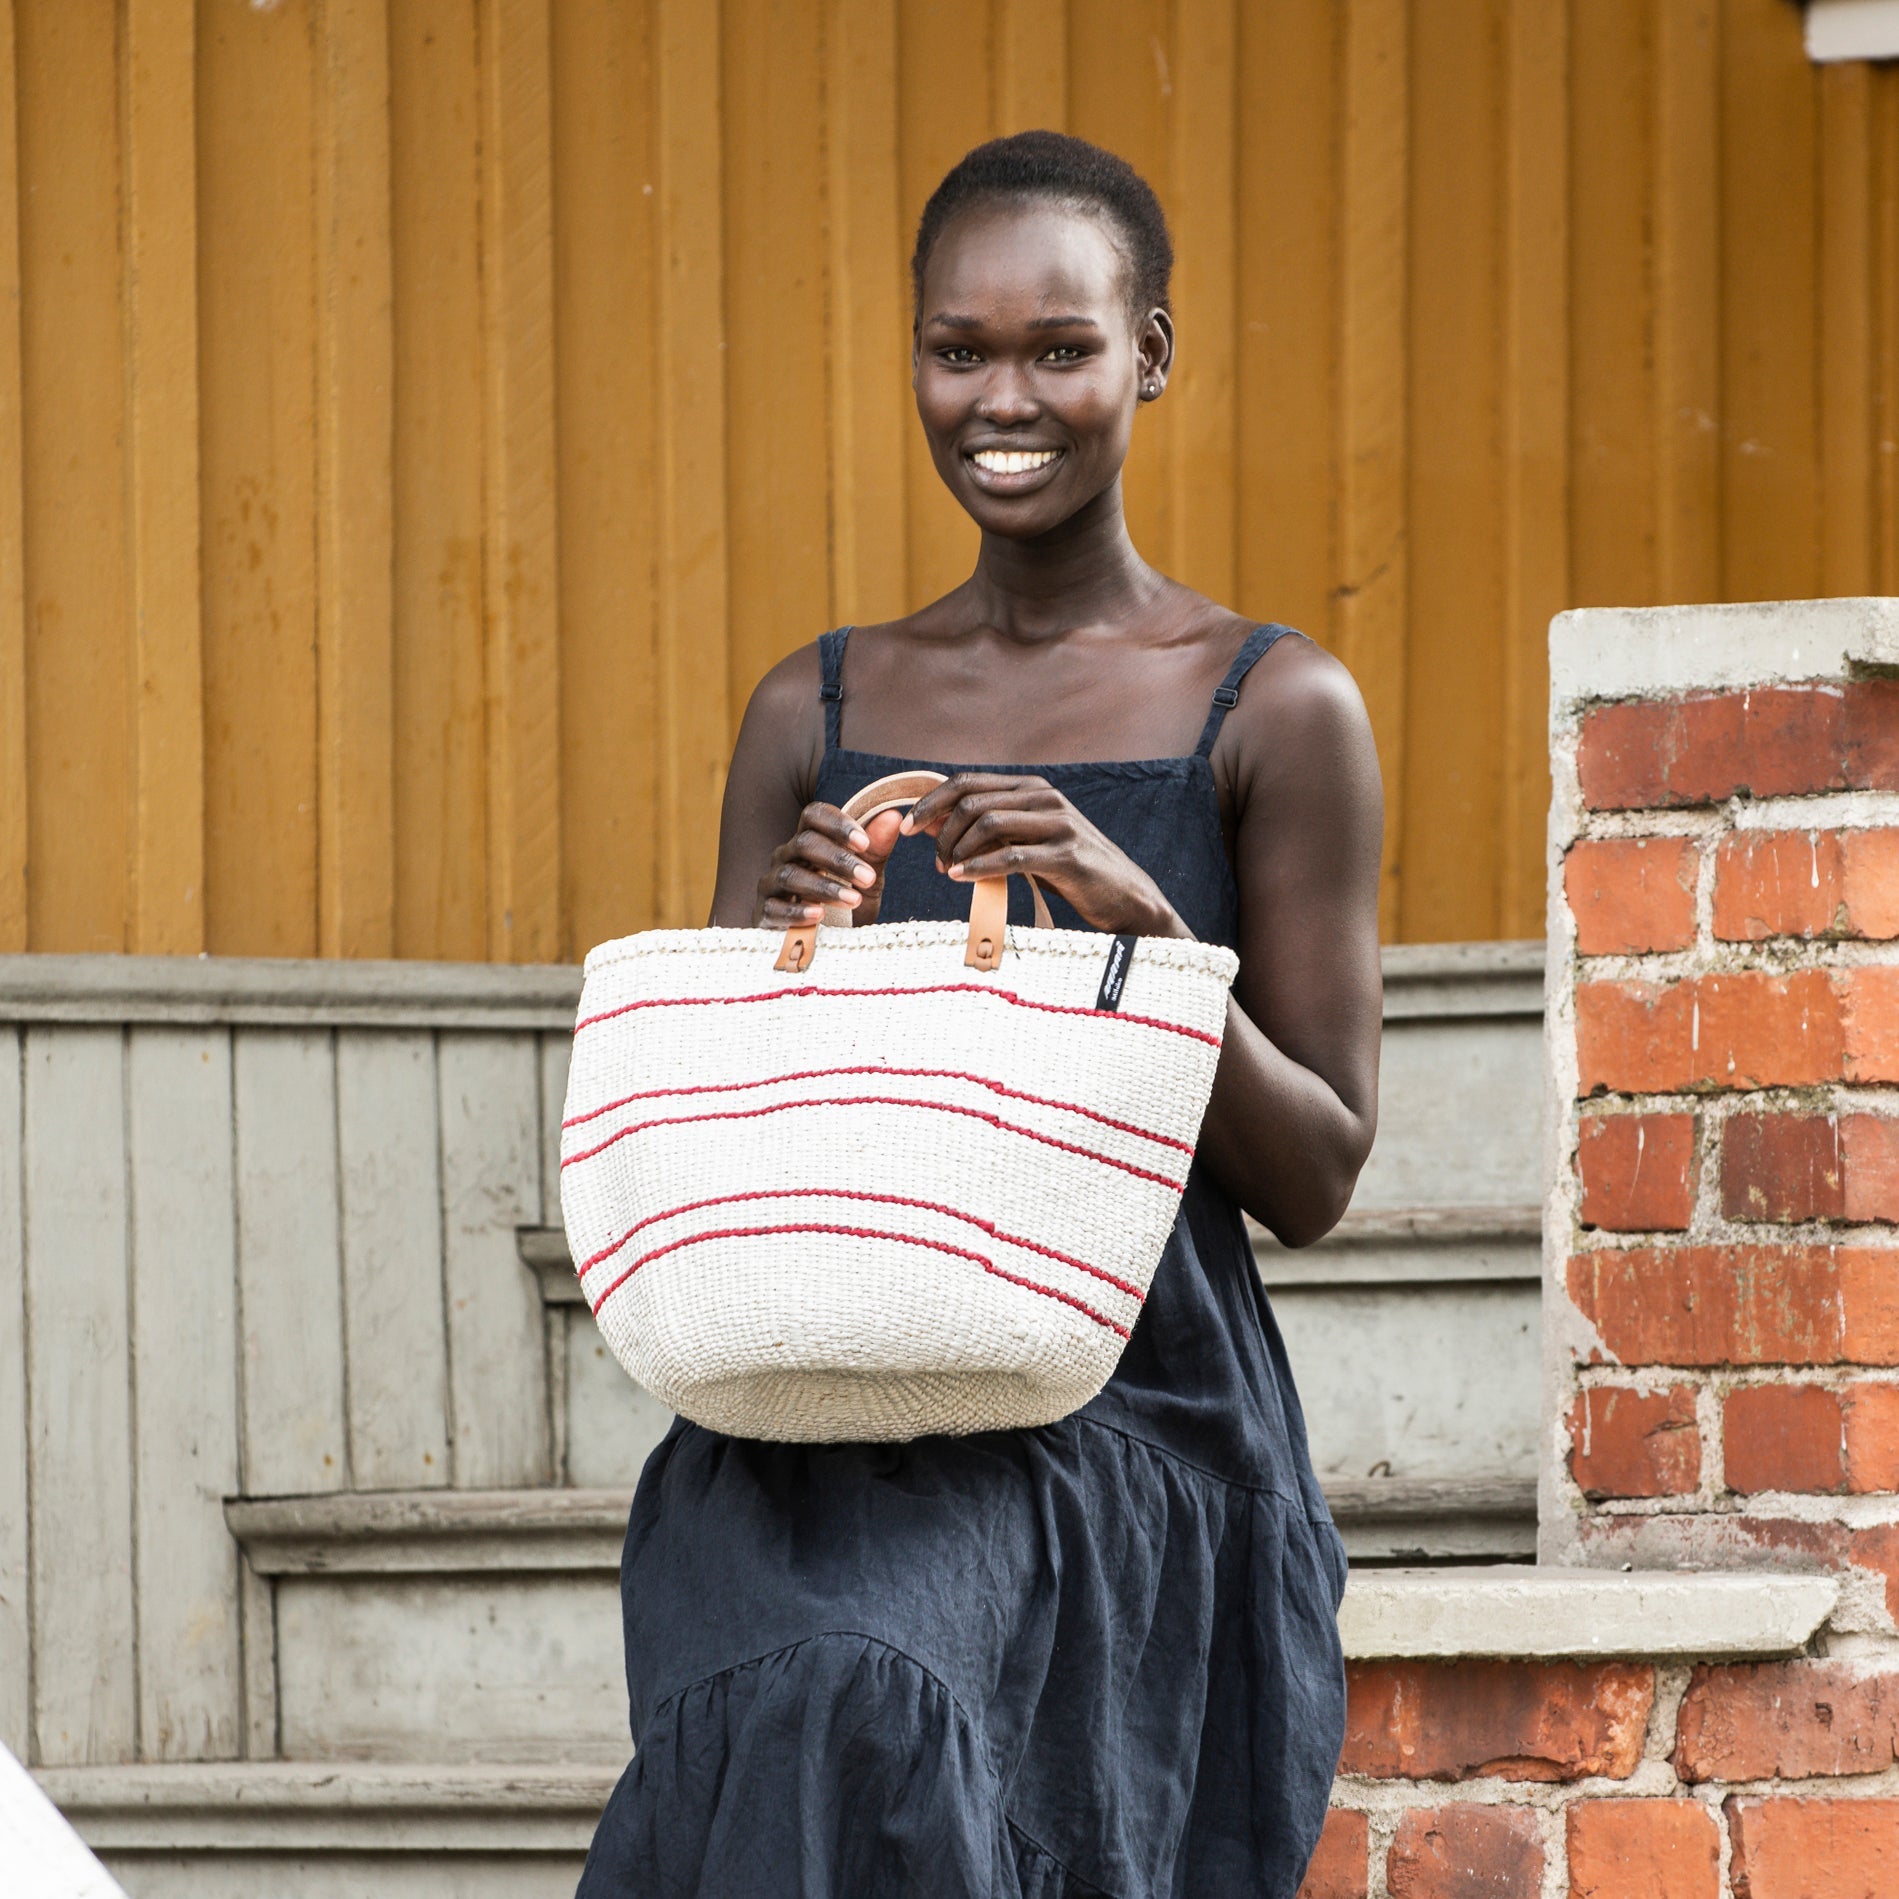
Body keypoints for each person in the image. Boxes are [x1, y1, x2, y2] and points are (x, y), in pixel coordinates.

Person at [578, 129, 1384, 1899]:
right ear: (915, 358)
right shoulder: (817, 702)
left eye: (1058, 347)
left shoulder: (1272, 707)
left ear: (1149, 356)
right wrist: (780, 928)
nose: (1001, 397)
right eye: (961, 350)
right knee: (804, 1681)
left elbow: (1318, 1171)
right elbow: (717, 1127)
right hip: (821, 1385)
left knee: (875, 1681)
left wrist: (1147, 928)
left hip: (1122, 1397)